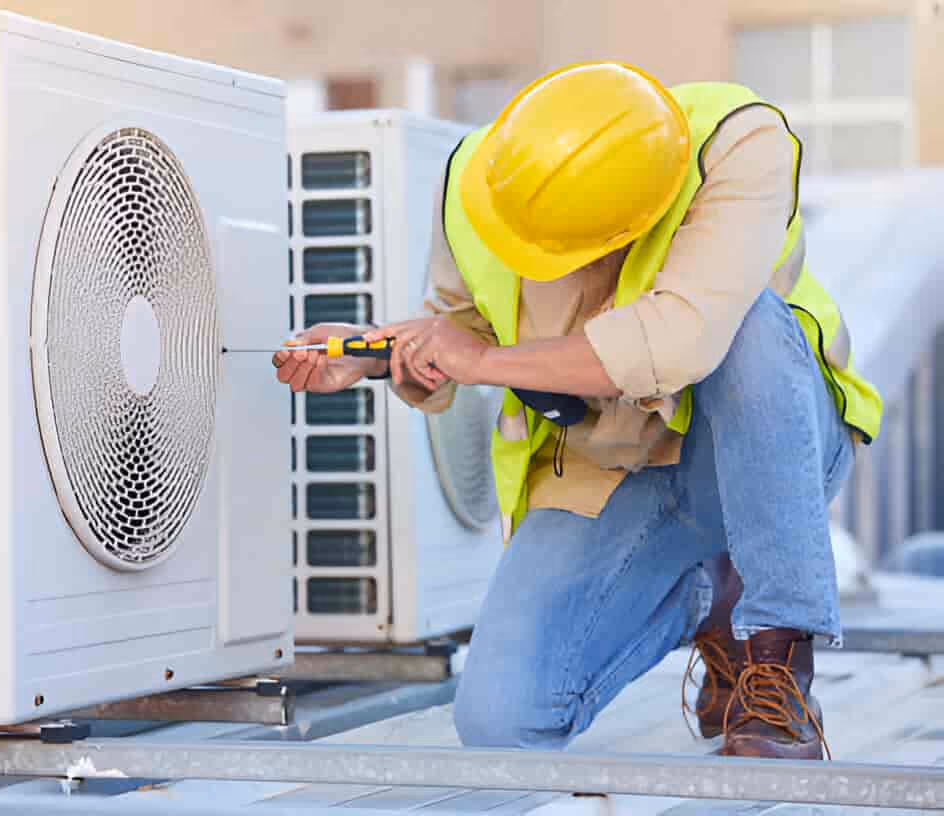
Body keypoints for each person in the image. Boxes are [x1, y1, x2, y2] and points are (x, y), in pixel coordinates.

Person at [273, 62, 882, 760]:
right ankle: (704, 603)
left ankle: (774, 661)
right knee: (501, 724)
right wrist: (376, 352)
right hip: (615, 463)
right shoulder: (483, 182)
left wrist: (484, 364)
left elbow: (677, 342)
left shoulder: (735, 145)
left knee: (749, 328)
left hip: (761, 446)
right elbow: (460, 328)